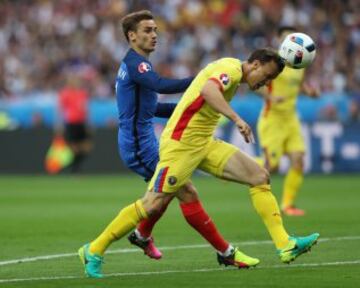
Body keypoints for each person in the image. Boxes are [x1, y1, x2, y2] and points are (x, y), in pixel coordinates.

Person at [79, 47, 320, 278]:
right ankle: (94, 250)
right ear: (255, 64)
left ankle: (285, 244)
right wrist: (236, 119)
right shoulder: (232, 69)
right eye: (266, 76)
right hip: (181, 144)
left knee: (259, 176)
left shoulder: (234, 73)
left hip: (203, 142)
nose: (265, 83)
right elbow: (208, 91)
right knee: (152, 204)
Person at [79, 10, 252, 276]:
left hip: (146, 142)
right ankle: (97, 248)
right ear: (131, 36)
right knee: (181, 192)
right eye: (147, 30)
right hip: (138, 146)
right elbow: (160, 85)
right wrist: (201, 81)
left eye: (155, 30)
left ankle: (142, 235)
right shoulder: (137, 65)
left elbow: (153, 108)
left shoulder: (139, 65)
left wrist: (190, 107)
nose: (154, 35)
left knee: (167, 194)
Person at [256, 26, 320, 216]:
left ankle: (288, 204)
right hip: (272, 119)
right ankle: (240, 163)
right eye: (285, 37)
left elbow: (298, 85)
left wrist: (310, 92)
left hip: (291, 118)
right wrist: (270, 97)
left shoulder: (299, 63)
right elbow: (256, 83)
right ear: (279, 39)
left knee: (298, 160)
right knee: (272, 167)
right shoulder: (274, 62)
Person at [58, 72, 93, 173]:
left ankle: (74, 166)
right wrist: (59, 124)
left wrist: (89, 123)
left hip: (81, 123)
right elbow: (61, 110)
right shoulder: (65, 93)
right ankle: (75, 169)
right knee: (74, 148)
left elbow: (86, 110)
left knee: (87, 147)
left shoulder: (83, 93)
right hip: (71, 122)